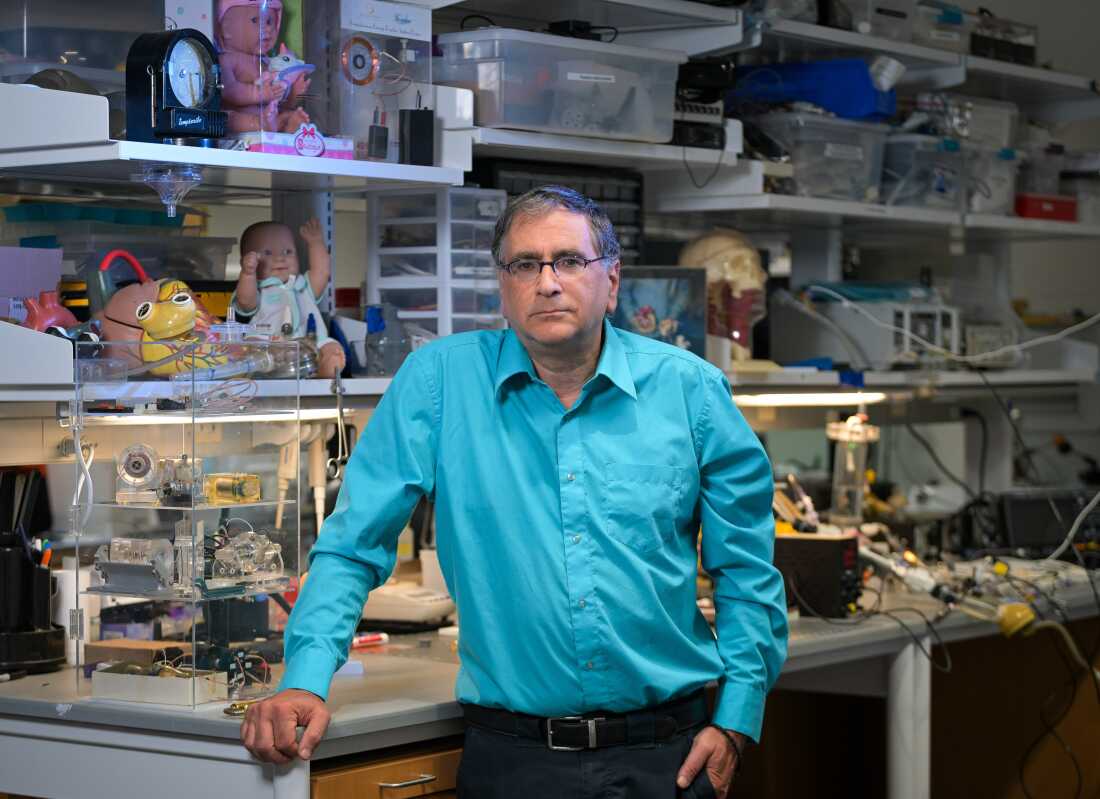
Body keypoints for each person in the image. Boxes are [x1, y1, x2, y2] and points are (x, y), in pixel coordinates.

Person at [241, 186, 788, 798]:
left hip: (669, 757)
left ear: (611, 281)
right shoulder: (439, 381)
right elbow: (351, 546)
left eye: (569, 261)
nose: (547, 283)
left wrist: (736, 719)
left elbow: (747, 571)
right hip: (513, 760)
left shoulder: (691, 391)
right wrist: (305, 679)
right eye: (525, 265)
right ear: (503, 286)